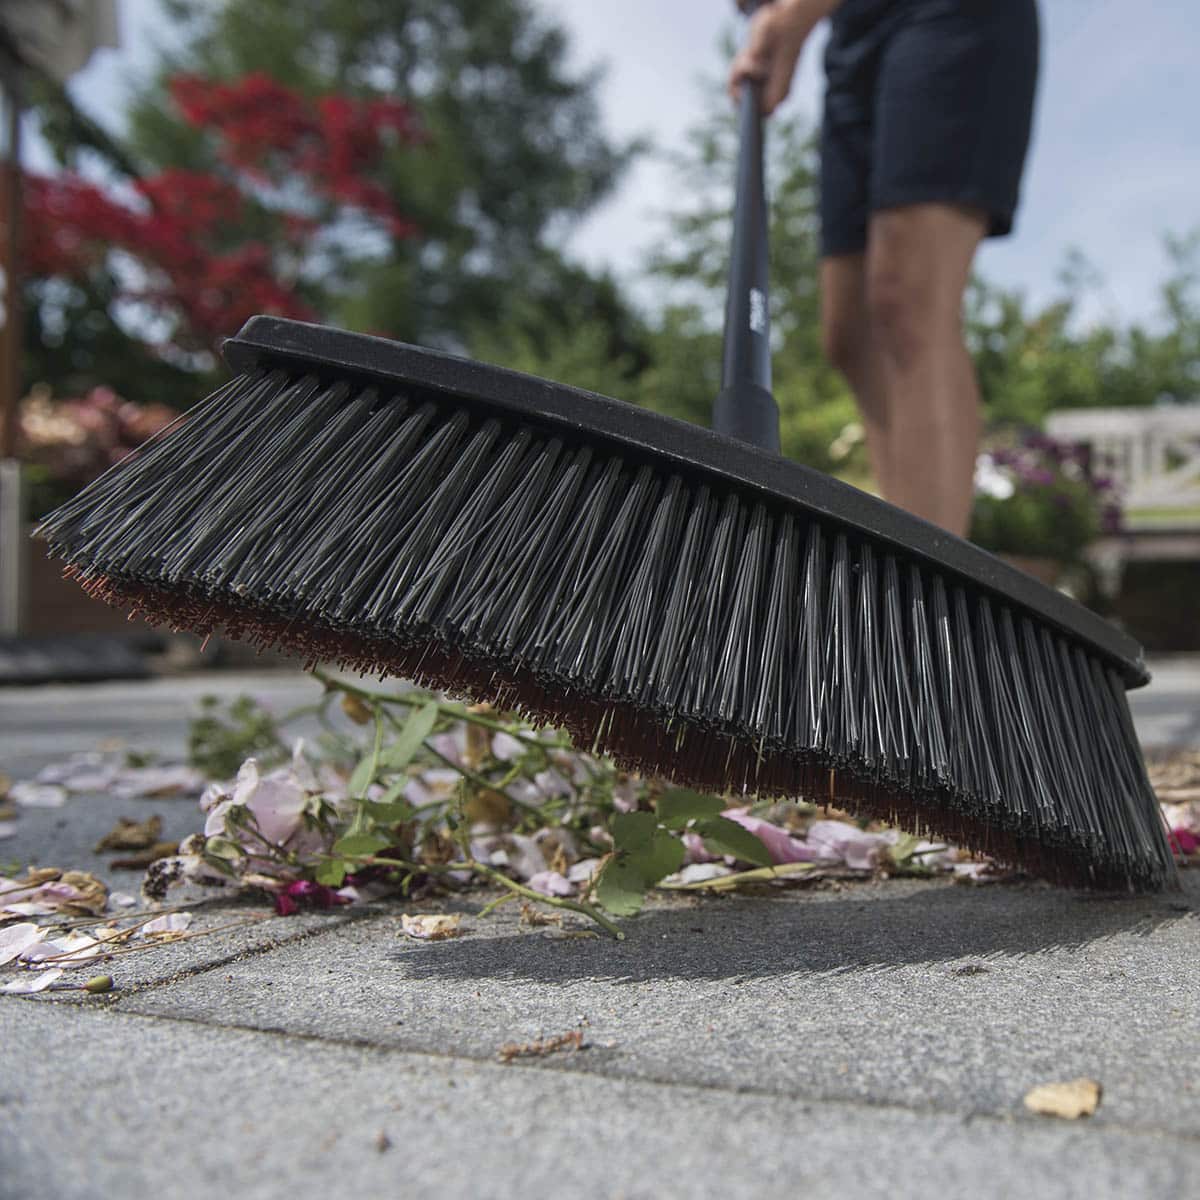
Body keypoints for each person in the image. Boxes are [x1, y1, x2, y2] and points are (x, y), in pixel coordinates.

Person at [729, 0, 1039, 538]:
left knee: (907, 299)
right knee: (849, 334)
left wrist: (796, 16)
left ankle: (934, 590)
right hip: (853, 34)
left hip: (951, 15)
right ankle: (900, 559)